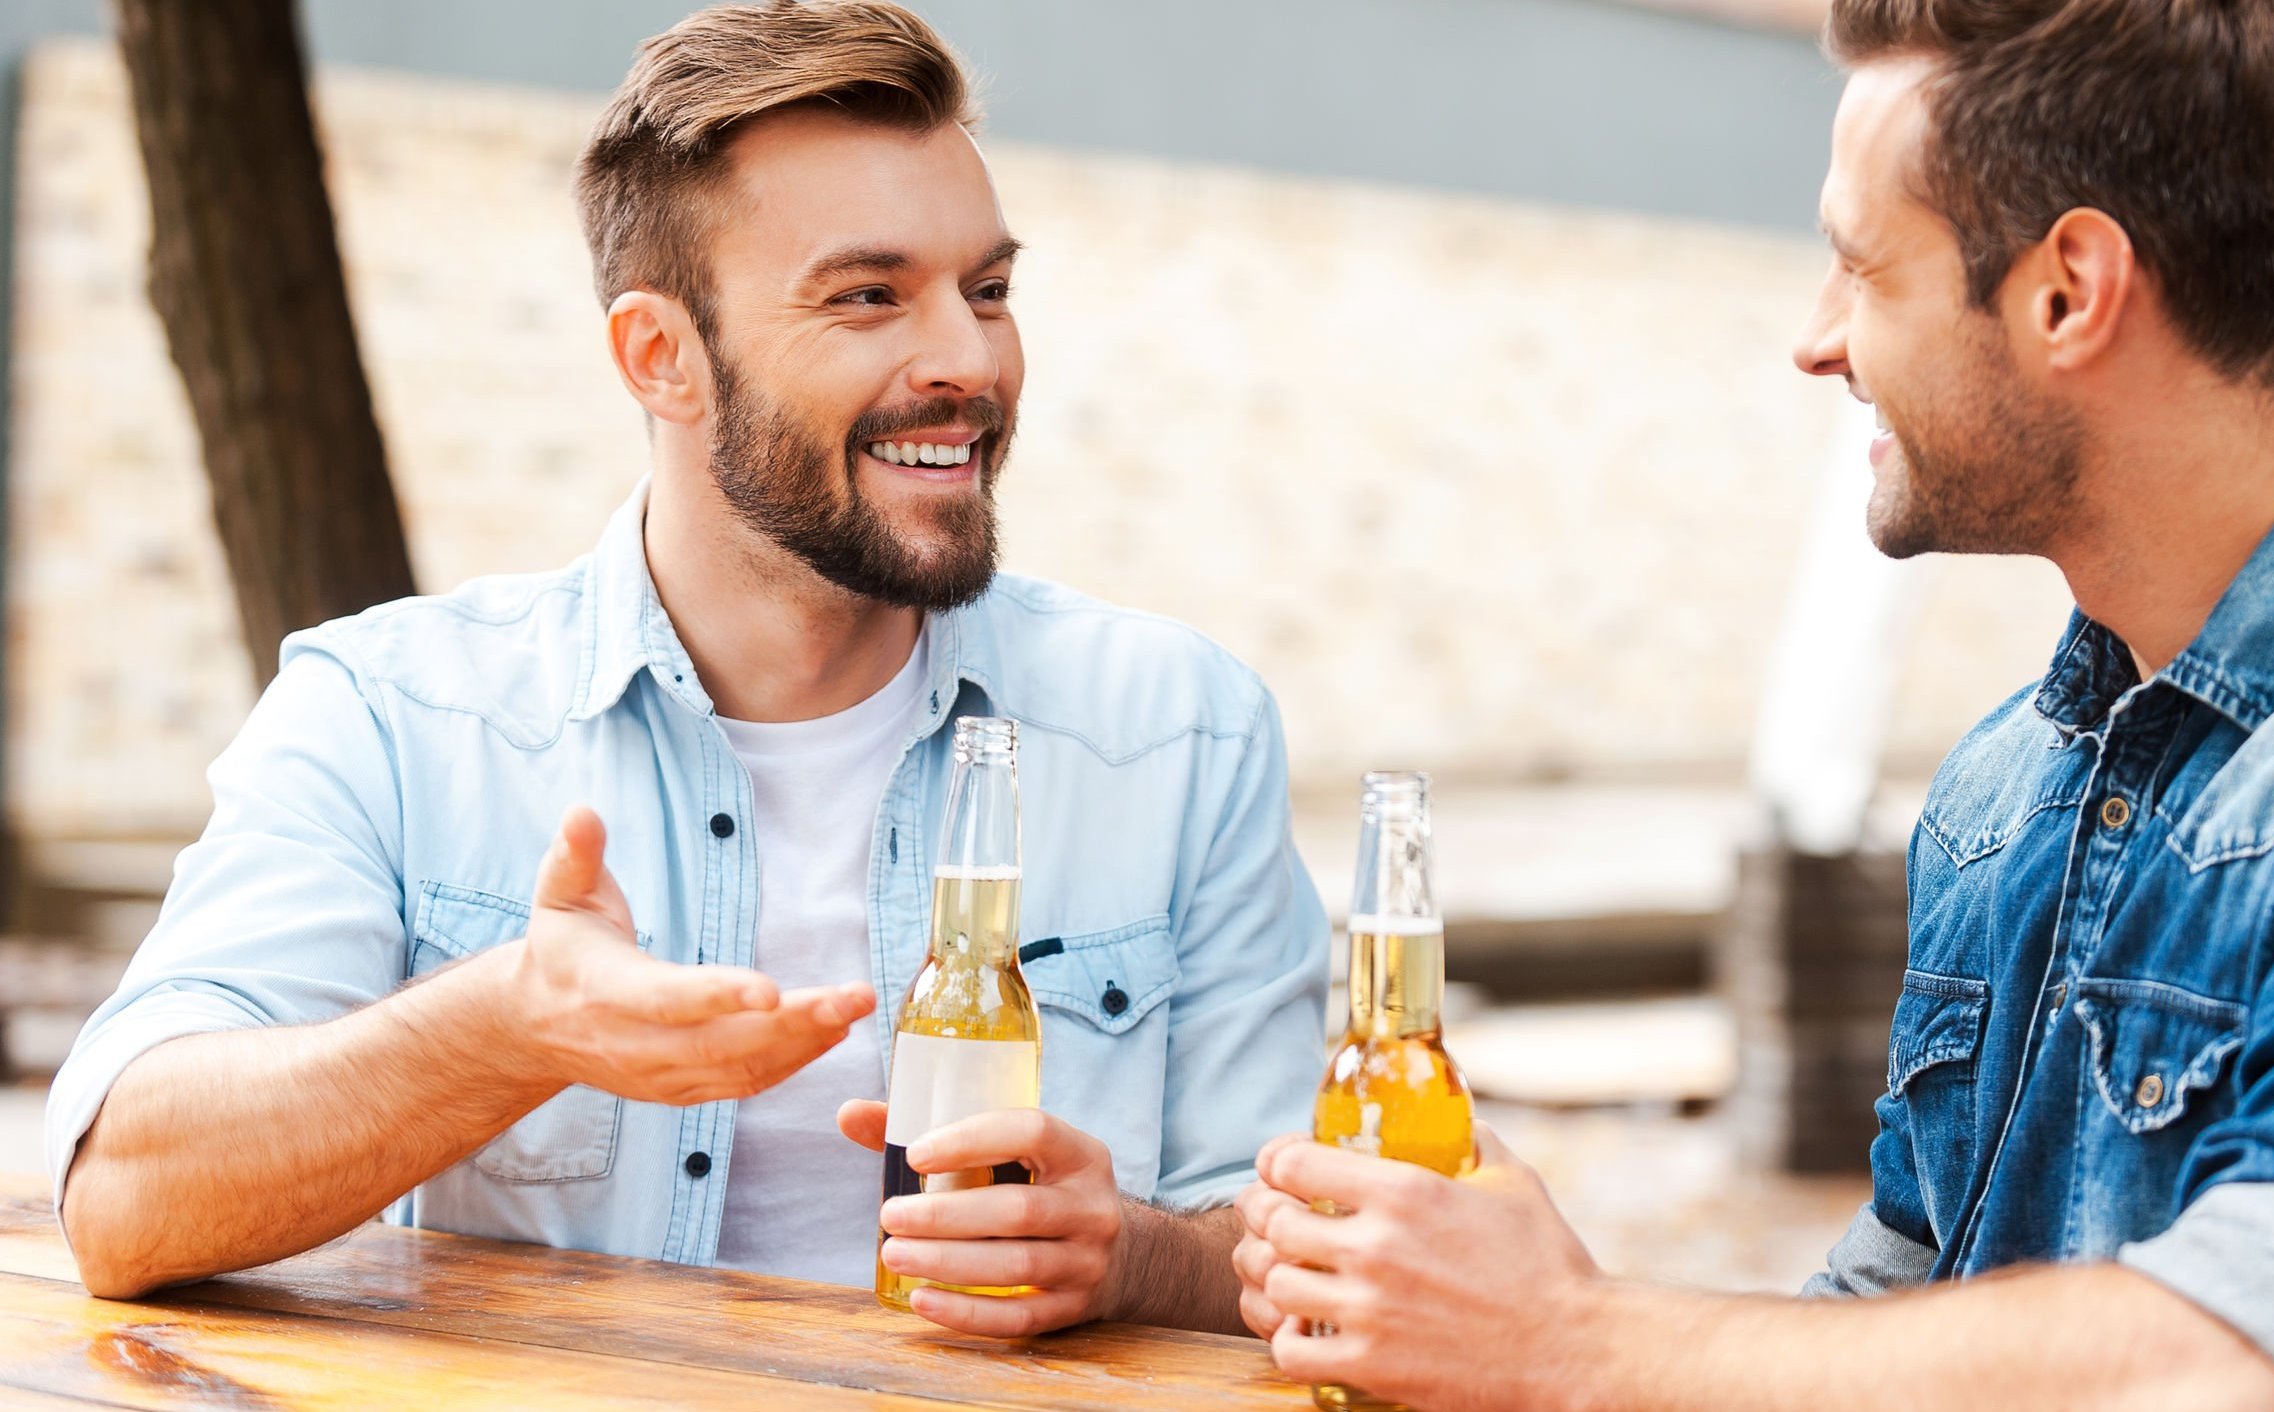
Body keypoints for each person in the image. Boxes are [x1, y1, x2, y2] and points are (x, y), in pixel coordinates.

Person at [1232, 2, 2274, 1407]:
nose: (1818, 341)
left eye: (1857, 266)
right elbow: (1886, 1315)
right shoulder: (1996, 796)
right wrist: (1506, 1308)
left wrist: (1574, 1341)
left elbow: (2273, 1358)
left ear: (2070, 290)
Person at [48, 0, 1325, 1340]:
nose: (968, 359)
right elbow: (127, 1201)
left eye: (988, 289)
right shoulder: (392, 715)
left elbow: (1312, 1238)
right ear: (661, 358)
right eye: (869, 296)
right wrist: (506, 1028)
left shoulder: (1183, 734)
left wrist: (1135, 1260)